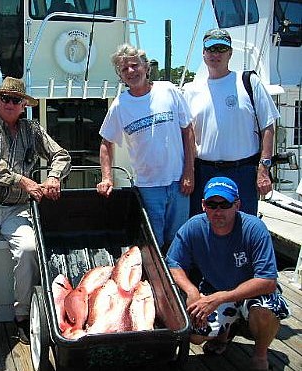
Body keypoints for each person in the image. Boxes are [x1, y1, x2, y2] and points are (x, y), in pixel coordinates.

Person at [0, 76, 71, 356]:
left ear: (24, 105)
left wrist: (54, 177)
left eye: (16, 100)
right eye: (5, 99)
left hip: (17, 210)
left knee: (28, 249)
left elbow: (61, 155)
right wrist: (21, 180)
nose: (10, 104)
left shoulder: (33, 130)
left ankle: (22, 316)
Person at [166, 176, 290, 371]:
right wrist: (191, 291)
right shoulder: (193, 226)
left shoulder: (254, 228)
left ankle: (260, 355)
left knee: (267, 312)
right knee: (195, 335)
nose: (218, 210)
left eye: (225, 204)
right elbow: (173, 263)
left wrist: (222, 297)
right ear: (203, 205)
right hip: (214, 290)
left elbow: (267, 281)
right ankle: (225, 332)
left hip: (253, 295)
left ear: (237, 205)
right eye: (212, 204)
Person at [96, 44, 195, 250]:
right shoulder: (120, 105)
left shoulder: (168, 90)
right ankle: (160, 282)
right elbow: (106, 142)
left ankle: (177, 280)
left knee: (180, 242)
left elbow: (188, 131)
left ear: (146, 67)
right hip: (148, 187)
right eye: (125, 69)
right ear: (120, 76)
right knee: (154, 245)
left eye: (135, 65)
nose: (131, 71)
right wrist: (107, 178)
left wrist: (189, 172)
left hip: (179, 183)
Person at [184, 28, 280, 217]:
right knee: (204, 228)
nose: (215, 54)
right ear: (203, 53)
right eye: (211, 49)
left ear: (230, 53)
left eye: (221, 49)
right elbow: (187, 135)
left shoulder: (249, 82)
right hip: (204, 173)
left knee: (244, 229)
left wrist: (264, 168)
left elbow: (268, 127)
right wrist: (188, 172)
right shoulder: (191, 90)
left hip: (242, 173)